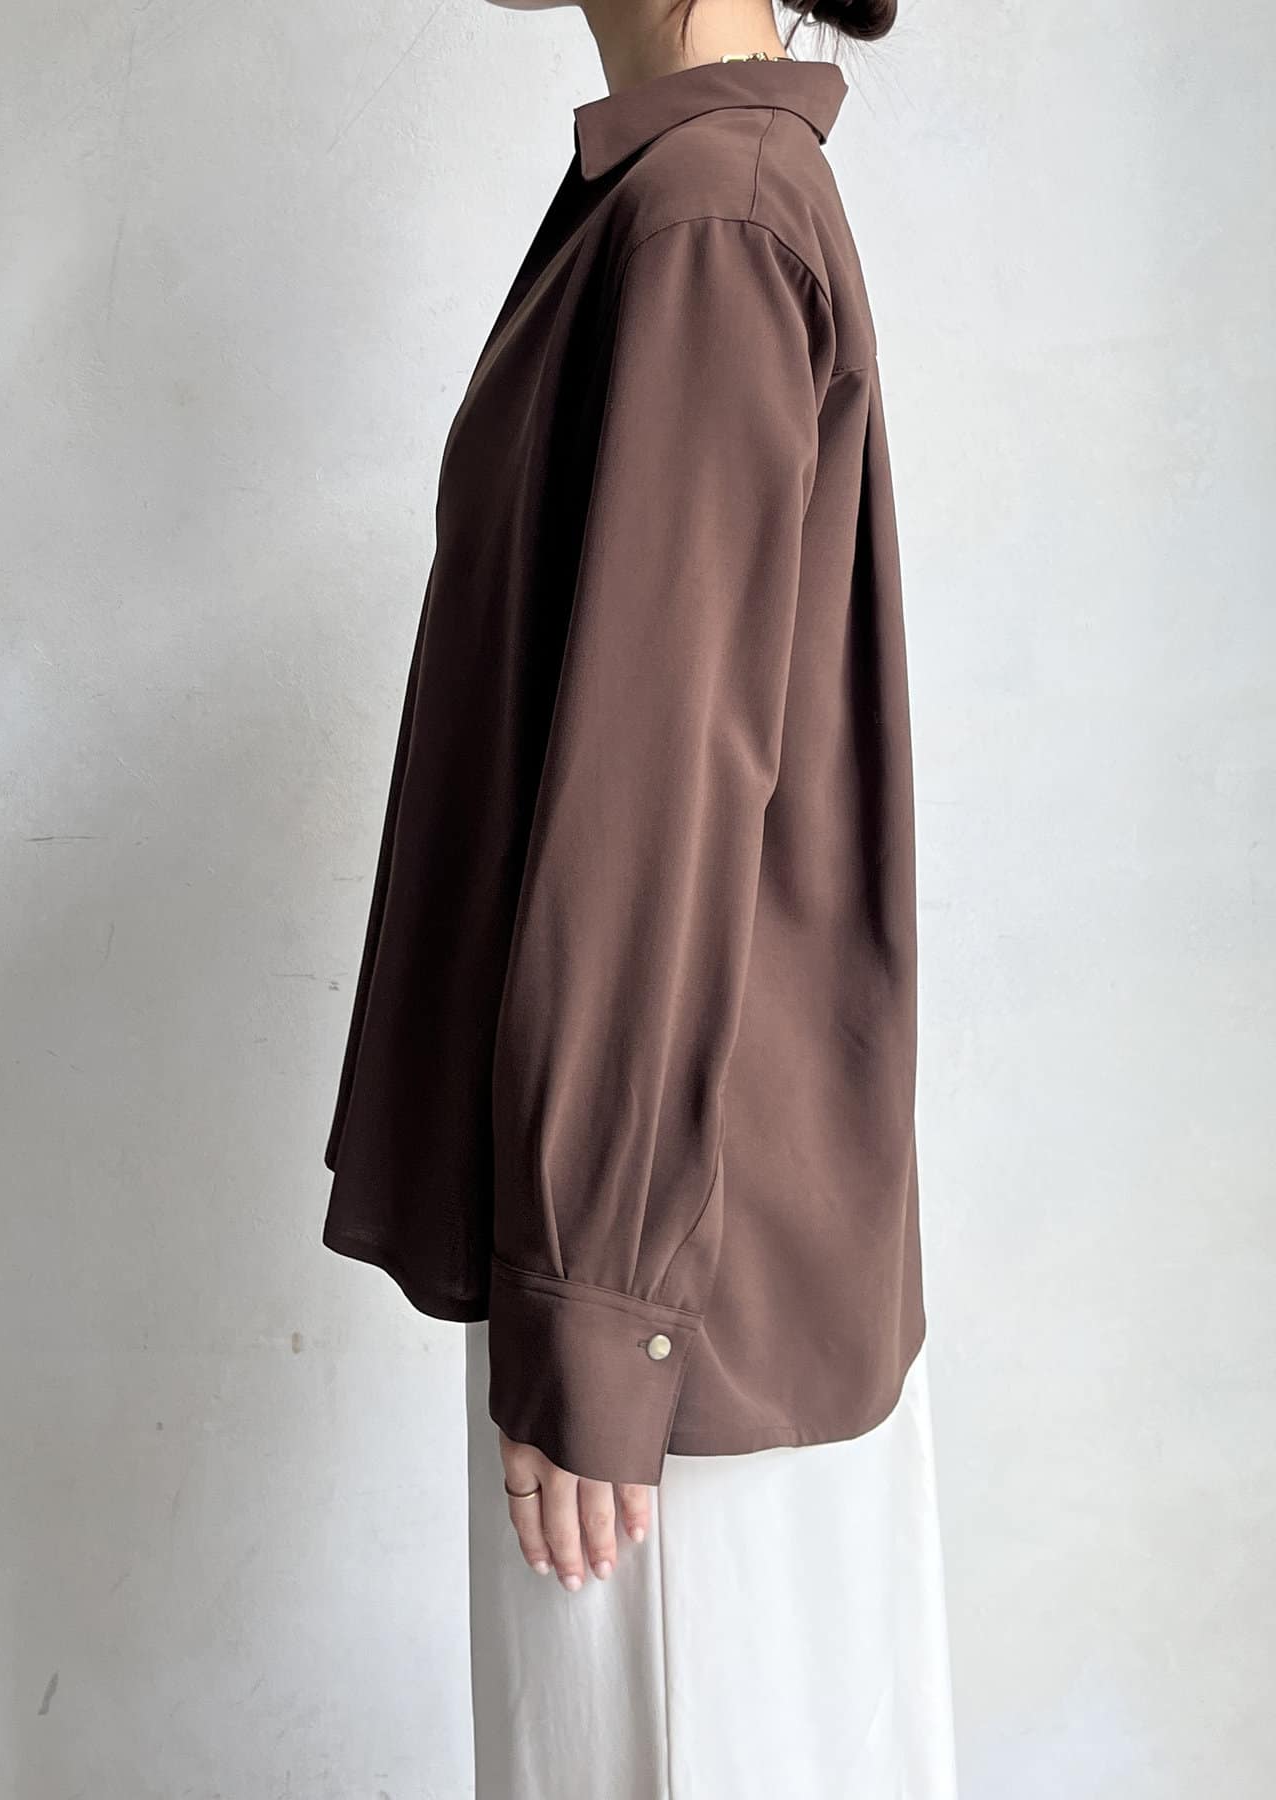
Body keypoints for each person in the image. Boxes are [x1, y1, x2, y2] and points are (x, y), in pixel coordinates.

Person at [319, 0, 958, 1791]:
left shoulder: (706, 217)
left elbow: (656, 794)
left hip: (667, 1303)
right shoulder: (688, 196)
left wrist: (597, 1310)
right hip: (671, 1250)